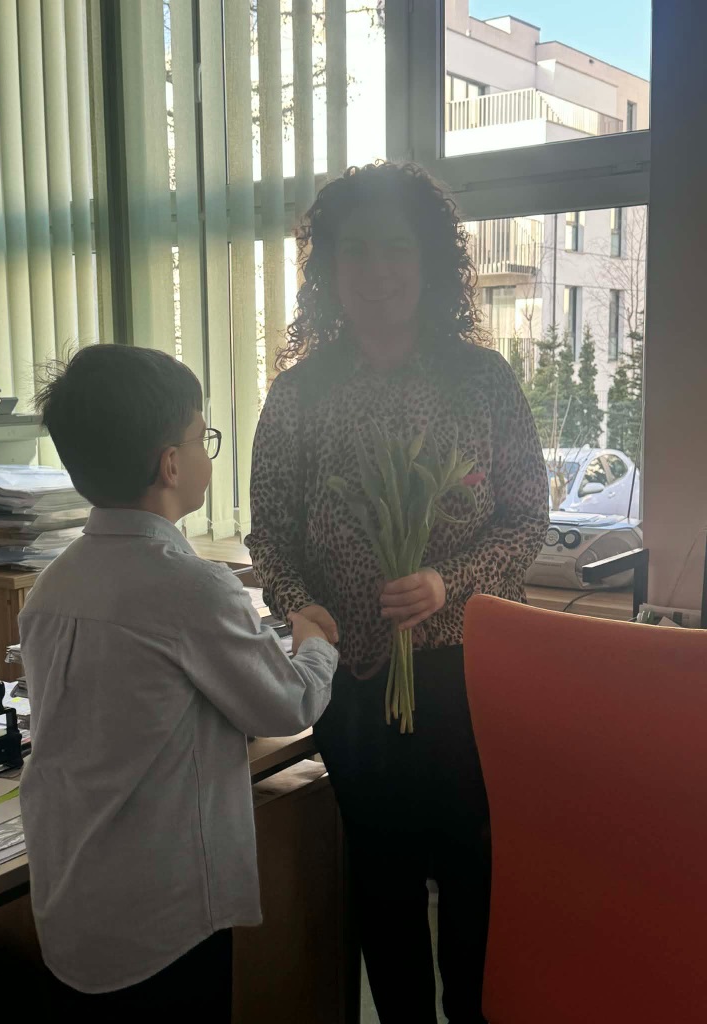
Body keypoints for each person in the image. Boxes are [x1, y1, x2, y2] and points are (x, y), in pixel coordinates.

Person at [247, 162, 549, 1023]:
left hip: (468, 678)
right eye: (355, 252)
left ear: (431, 263)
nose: (375, 271)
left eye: (396, 250)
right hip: (352, 682)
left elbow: (527, 519)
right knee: (381, 882)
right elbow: (270, 535)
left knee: (473, 872)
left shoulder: (481, 380)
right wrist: (300, 607)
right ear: (327, 270)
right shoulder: (299, 394)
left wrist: (448, 582)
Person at [19, 345, 337, 1012]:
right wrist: (313, 643)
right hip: (163, 916)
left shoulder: (52, 585)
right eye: (202, 437)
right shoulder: (192, 587)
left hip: (73, 899)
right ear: (170, 464)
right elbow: (286, 704)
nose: (207, 453)